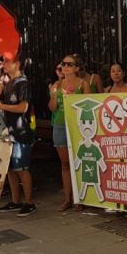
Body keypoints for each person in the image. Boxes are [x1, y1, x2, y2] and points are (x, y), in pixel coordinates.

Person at [0, 56, 37, 217]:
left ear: (17, 64)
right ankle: (16, 201)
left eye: (8, 62)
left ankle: (29, 202)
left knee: (22, 168)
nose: (4, 65)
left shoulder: (23, 83)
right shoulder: (8, 83)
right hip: (9, 131)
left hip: (22, 131)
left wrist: (1, 105)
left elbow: (23, 108)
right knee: (10, 168)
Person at [48, 55, 91, 212]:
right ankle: (68, 199)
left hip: (78, 126)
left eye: (69, 64)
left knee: (79, 162)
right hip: (60, 125)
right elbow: (52, 108)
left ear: (77, 68)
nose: (65, 66)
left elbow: (89, 106)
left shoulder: (83, 84)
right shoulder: (58, 84)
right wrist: (53, 94)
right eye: (63, 64)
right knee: (65, 164)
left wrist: (74, 100)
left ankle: (81, 198)